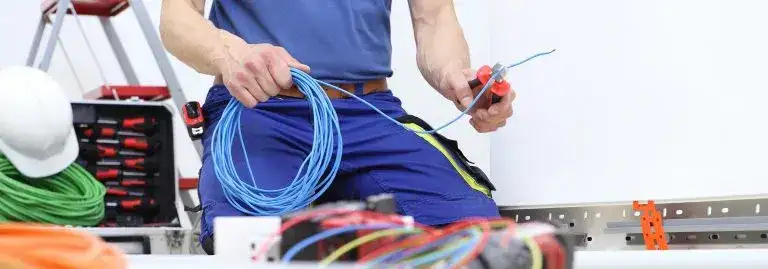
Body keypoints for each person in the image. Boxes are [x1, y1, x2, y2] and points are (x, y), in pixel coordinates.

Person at [159, 0, 515, 254]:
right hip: (259, 110)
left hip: (368, 113)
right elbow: (177, 17)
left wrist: (454, 74)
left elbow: (434, 17)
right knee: (250, 239)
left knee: (474, 238)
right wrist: (231, 53)